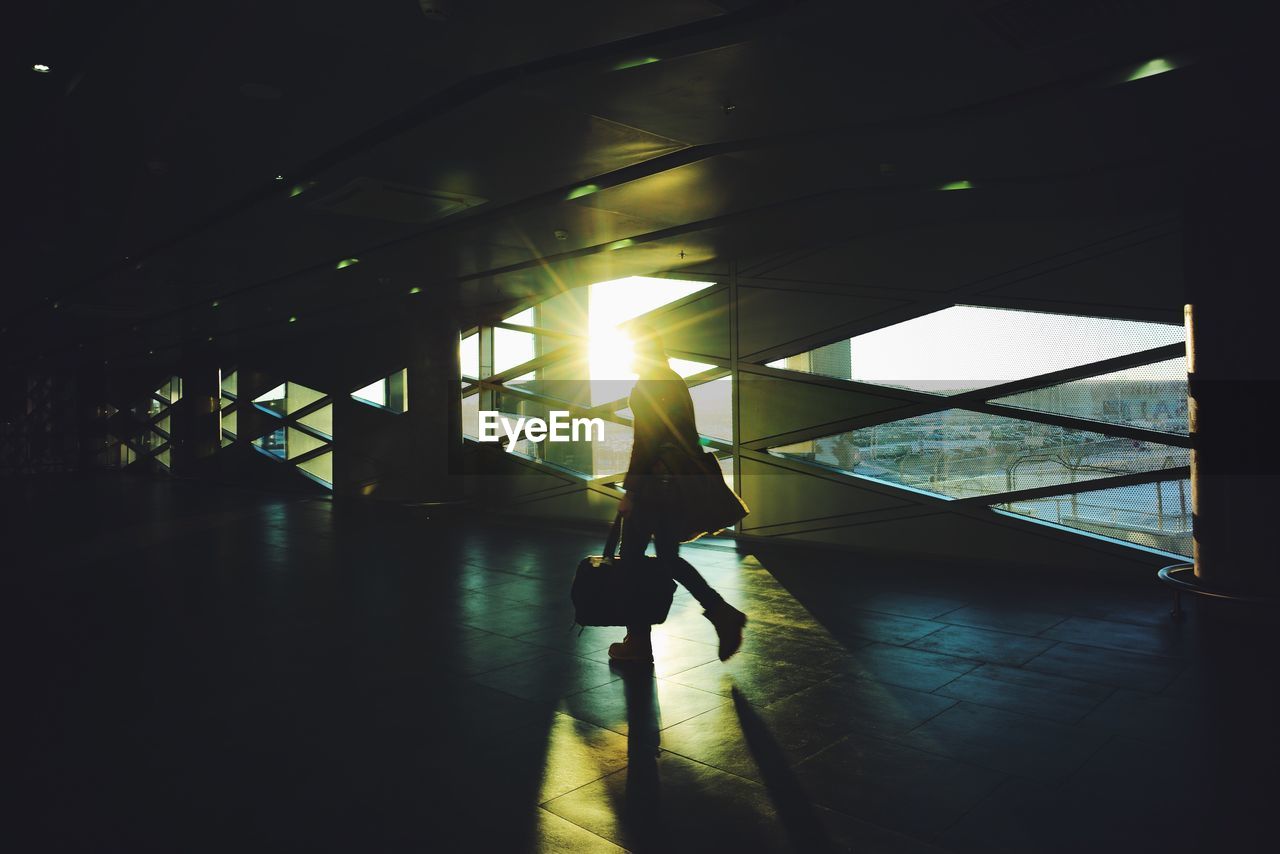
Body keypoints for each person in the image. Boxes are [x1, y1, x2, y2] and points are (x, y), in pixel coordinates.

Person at [608, 320, 748, 666]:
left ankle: (638, 642)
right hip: (672, 487)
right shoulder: (671, 378)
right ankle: (720, 612)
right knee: (667, 558)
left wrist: (630, 490)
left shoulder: (649, 384)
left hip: (654, 488)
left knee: (631, 562)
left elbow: (647, 441)